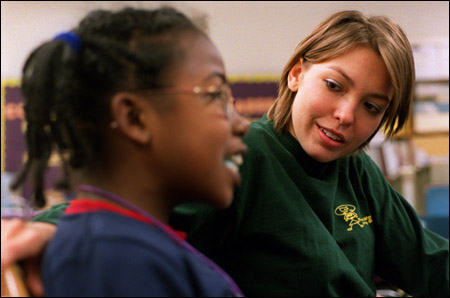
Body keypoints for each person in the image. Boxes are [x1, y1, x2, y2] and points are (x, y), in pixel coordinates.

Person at [2, 9, 449, 297]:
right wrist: (55, 232)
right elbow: (136, 211)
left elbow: (427, 262)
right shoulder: (242, 159)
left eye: (372, 107)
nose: (347, 115)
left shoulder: (356, 171)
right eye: (334, 86)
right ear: (296, 74)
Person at [2, 7, 248, 297]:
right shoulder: (119, 261)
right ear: (134, 118)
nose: (242, 123)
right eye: (215, 94)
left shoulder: (120, 246)